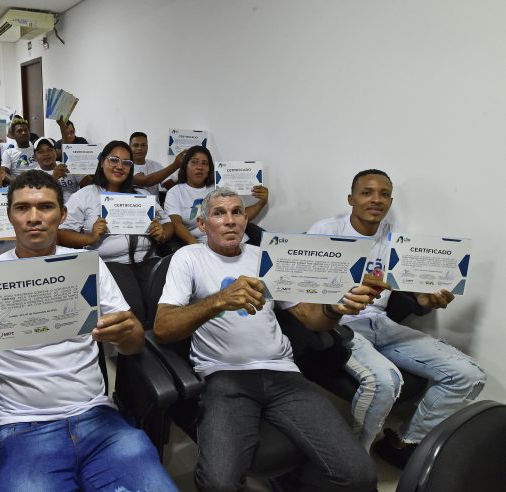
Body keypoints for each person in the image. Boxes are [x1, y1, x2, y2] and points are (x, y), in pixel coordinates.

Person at [0, 170, 177, 491]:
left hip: (99, 420)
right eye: (22, 208)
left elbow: (132, 345)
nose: (34, 218)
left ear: (63, 215)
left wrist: (127, 334)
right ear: (9, 216)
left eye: (45, 207)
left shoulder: (87, 265)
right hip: (22, 429)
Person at [154, 187, 378, 491]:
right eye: (219, 213)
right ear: (203, 224)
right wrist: (218, 300)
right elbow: (163, 327)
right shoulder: (188, 258)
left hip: (283, 374)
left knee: (361, 475)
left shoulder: (265, 258)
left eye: (237, 212)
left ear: (246, 220)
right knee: (218, 483)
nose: (230, 220)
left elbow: (310, 318)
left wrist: (334, 308)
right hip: (224, 376)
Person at [307, 169, 486, 466]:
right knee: (386, 381)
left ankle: (402, 443)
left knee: (469, 375)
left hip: (381, 322)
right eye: (367, 193)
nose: (376, 199)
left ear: (390, 201)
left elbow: (414, 289)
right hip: (341, 322)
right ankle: (354, 462)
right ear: (351, 199)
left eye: (384, 194)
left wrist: (425, 299)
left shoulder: (398, 237)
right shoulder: (325, 230)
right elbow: (304, 289)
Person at [58, 140, 173, 325]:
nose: (120, 166)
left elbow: (168, 223)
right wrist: (89, 237)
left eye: (126, 163)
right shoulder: (85, 195)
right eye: (114, 160)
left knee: (162, 307)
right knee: (134, 312)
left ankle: (161, 340)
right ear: (102, 162)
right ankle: (137, 341)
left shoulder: (142, 195)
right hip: (110, 263)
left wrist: (162, 232)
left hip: (148, 259)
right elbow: (61, 233)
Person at [164, 145, 268, 246]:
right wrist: (195, 247)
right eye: (194, 162)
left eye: (205, 163)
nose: (200, 167)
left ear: (209, 168)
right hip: (204, 246)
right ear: (185, 166)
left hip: (239, 242)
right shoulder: (175, 192)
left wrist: (261, 203)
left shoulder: (219, 187)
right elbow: (176, 224)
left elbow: (240, 215)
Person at [33, 137, 81, 202]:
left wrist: (81, 170)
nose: (46, 154)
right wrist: (53, 178)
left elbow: (90, 188)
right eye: (41, 152)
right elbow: (38, 198)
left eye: (50, 150)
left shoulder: (68, 166)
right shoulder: (33, 175)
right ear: (35, 157)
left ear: (56, 153)